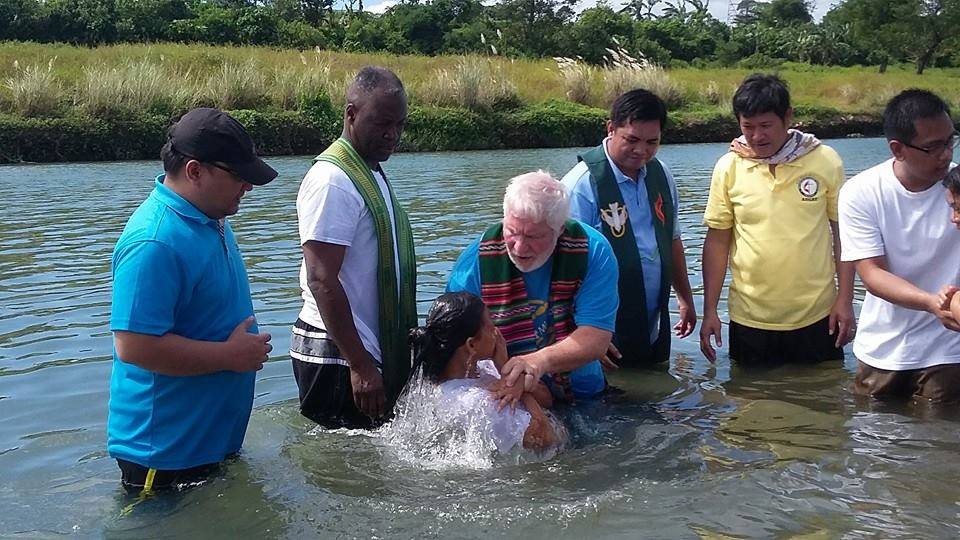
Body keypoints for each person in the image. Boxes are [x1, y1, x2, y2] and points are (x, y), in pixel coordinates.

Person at [108, 107, 277, 493]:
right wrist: (230, 357)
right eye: (238, 175)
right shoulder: (154, 240)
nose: (247, 187)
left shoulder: (211, 216)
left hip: (208, 443)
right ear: (195, 171)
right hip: (163, 457)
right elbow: (134, 346)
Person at [290, 66, 417, 429]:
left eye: (400, 124)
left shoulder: (369, 169)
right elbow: (321, 280)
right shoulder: (333, 179)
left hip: (361, 353)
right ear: (350, 114)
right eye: (381, 124)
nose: (392, 134)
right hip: (338, 357)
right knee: (339, 479)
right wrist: (360, 365)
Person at [700, 73, 855, 365]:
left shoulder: (826, 160)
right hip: (749, 317)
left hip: (818, 315)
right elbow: (717, 243)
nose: (757, 136)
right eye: (748, 127)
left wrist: (845, 300)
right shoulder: (728, 167)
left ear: (788, 117)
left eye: (766, 126)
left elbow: (843, 235)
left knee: (824, 400)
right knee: (749, 404)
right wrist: (709, 311)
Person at [446, 170, 618, 402]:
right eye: (512, 232)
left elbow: (596, 338)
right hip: (509, 390)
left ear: (560, 231)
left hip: (583, 390)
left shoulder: (593, 251)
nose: (518, 247)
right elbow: (457, 348)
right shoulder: (473, 263)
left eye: (533, 237)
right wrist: (513, 379)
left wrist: (536, 362)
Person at [839, 89, 960, 403]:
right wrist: (931, 303)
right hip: (884, 345)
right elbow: (872, 274)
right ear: (898, 149)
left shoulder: (957, 187)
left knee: (940, 439)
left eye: (950, 141)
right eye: (933, 147)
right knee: (873, 439)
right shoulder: (861, 192)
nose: (946, 155)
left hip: (949, 343)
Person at [561, 88, 696, 368]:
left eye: (652, 142)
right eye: (632, 140)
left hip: (652, 321)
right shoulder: (581, 185)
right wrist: (583, 334)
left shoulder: (660, 175)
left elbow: (672, 240)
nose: (641, 151)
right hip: (601, 324)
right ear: (611, 128)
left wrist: (685, 299)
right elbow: (564, 267)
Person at [408, 292, 557, 451]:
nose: (496, 331)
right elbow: (547, 440)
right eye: (492, 325)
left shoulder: (483, 366)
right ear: (471, 345)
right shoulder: (479, 405)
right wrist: (529, 403)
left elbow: (547, 398)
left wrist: (505, 369)